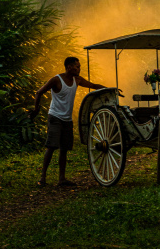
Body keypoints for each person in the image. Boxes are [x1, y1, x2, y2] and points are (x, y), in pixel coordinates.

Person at [30, 56, 104, 187]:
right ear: (69, 67)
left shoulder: (77, 80)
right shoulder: (56, 80)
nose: (79, 69)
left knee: (64, 149)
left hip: (67, 119)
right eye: (77, 66)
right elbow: (38, 92)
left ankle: (62, 179)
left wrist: (109, 89)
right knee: (52, 146)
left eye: (79, 66)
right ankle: (42, 178)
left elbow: (92, 85)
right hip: (55, 117)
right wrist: (36, 109)